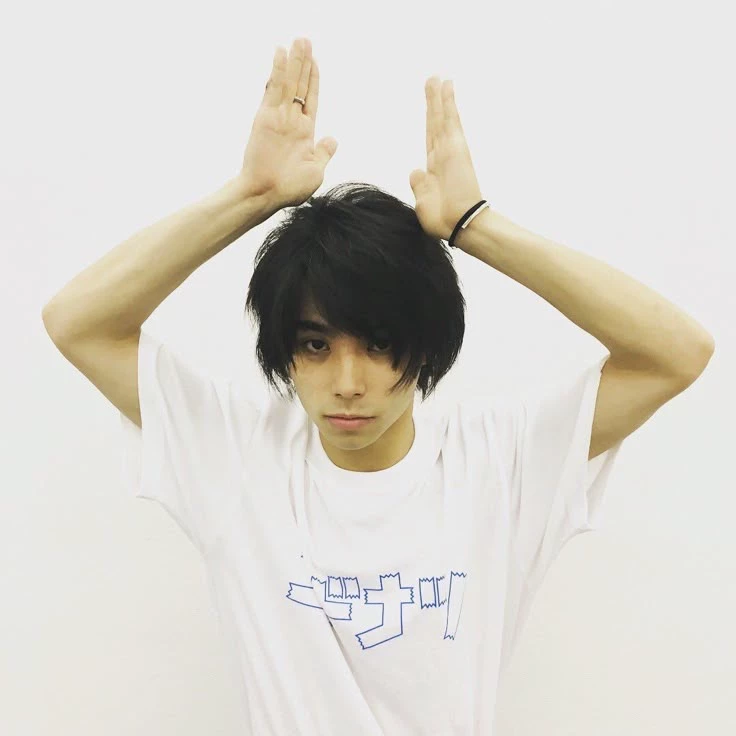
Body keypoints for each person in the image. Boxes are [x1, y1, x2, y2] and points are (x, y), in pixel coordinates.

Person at [42, 37, 694, 735]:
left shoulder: (496, 465)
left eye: (379, 345)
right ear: (285, 351)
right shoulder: (235, 458)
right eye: (315, 345)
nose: (348, 384)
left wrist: (476, 227)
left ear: (426, 343)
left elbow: (676, 354)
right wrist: (249, 198)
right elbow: (78, 323)